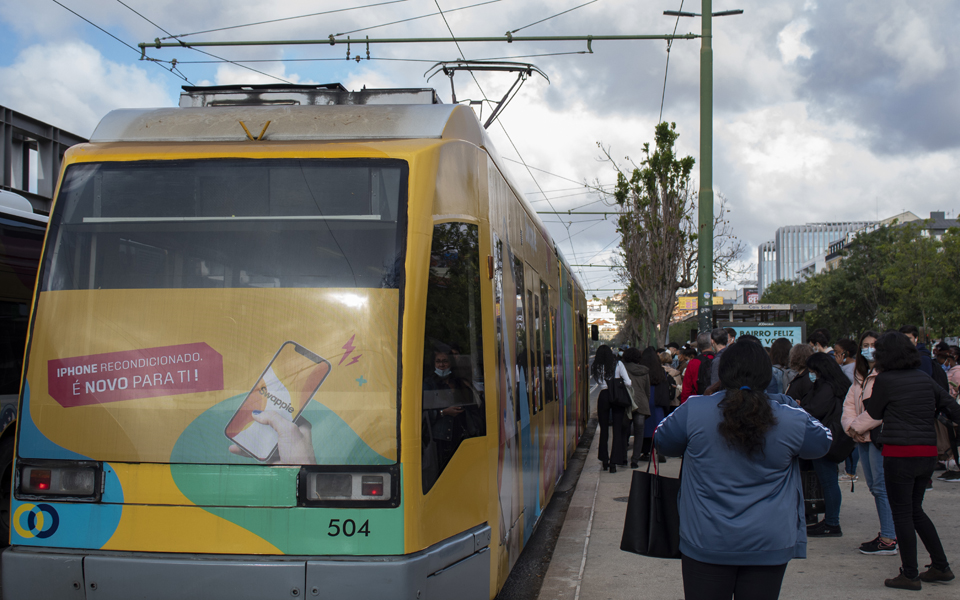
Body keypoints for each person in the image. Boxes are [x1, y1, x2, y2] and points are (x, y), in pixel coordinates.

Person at [655, 340, 832, 600]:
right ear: (766, 373)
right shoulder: (790, 416)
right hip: (769, 540)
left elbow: (662, 439)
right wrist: (789, 404)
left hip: (706, 538)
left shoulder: (694, 409)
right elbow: (823, 443)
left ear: (723, 373)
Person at [850, 331, 960, 590]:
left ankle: (909, 573)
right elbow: (952, 408)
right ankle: (940, 566)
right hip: (926, 454)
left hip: (899, 454)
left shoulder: (886, 380)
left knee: (902, 514)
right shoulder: (924, 378)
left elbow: (874, 411)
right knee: (916, 510)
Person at [840, 330, 898, 555]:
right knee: (875, 487)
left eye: (873, 345)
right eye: (865, 345)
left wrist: (857, 427)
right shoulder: (860, 376)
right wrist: (851, 428)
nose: (868, 349)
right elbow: (849, 405)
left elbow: (880, 410)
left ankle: (889, 538)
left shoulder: (886, 375)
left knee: (881, 488)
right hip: (862, 438)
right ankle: (887, 533)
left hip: (876, 438)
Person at [801, 352, 851, 537]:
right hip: (836, 439)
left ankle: (831, 522)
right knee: (829, 481)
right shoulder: (839, 384)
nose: (811, 374)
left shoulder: (826, 387)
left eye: (812, 371)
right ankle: (830, 521)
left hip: (824, 439)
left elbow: (814, 409)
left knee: (828, 482)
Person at [591, 345, 631, 473]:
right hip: (617, 396)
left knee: (604, 429)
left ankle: (604, 460)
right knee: (617, 429)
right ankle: (614, 462)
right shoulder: (618, 364)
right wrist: (618, 384)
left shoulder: (596, 366)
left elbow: (598, 381)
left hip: (603, 395)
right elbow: (628, 382)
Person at [621, 347, 650, 469]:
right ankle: (635, 460)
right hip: (641, 404)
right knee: (639, 433)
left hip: (627, 403)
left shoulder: (623, 368)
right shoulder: (644, 371)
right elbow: (647, 390)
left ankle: (623, 457)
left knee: (623, 431)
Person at [639, 346, 669, 463]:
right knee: (658, 427)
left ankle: (646, 452)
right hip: (658, 400)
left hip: (645, 400)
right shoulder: (660, 371)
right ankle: (660, 450)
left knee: (645, 428)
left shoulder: (641, 370)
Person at [682, 332, 712, 403]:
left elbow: (687, 388)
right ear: (712, 342)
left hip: (696, 401)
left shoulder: (693, 363)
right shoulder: (717, 359)